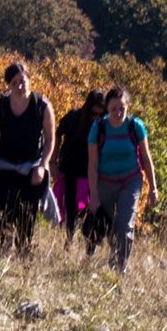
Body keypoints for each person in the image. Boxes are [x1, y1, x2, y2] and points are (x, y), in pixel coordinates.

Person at [0, 61, 56, 255]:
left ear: (29, 80)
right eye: (14, 83)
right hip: (5, 164)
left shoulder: (42, 106)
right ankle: (5, 247)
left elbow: (50, 140)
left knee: (28, 211)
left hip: (32, 164)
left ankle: (25, 250)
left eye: (22, 81)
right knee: (7, 210)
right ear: (8, 85)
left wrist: (42, 165)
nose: (19, 86)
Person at [87, 85, 159, 273]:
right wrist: (93, 194)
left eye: (122, 108)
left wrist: (153, 187)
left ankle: (120, 269)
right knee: (111, 225)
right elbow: (92, 164)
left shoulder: (136, 126)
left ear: (128, 107)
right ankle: (114, 257)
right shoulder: (98, 128)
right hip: (105, 182)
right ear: (107, 109)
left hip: (131, 180)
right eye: (113, 109)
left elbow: (146, 157)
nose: (118, 113)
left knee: (125, 224)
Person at [54, 89, 106, 247]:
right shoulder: (73, 117)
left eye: (99, 114)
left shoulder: (105, 125)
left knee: (92, 209)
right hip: (71, 169)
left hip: (94, 173)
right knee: (71, 208)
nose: (95, 117)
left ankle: (90, 242)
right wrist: (52, 162)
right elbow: (57, 134)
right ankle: (69, 240)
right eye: (92, 113)